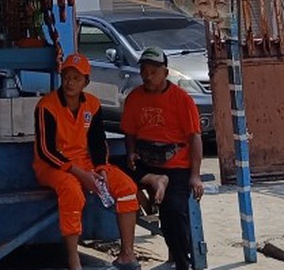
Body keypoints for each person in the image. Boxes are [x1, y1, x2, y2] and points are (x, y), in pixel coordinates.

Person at [34, 52, 140, 270]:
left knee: (127, 187)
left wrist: (101, 170)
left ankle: (127, 254)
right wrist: (80, 174)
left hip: (86, 164)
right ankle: (74, 262)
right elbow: (46, 150)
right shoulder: (47, 105)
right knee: (72, 193)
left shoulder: (92, 104)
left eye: (76, 78)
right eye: (67, 77)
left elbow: (98, 142)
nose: (70, 82)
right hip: (53, 167)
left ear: (86, 82)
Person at [121, 47, 204, 270]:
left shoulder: (182, 100)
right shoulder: (134, 98)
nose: (148, 76)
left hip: (175, 165)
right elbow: (129, 132)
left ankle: (182, 262)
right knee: (113, 170)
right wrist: (130, 152)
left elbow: (195, 137)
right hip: (146, 160)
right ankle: (153, 180)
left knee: (174, 211)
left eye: (153, 72)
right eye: (144, 71)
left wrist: (195, 176)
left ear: (165, 73)